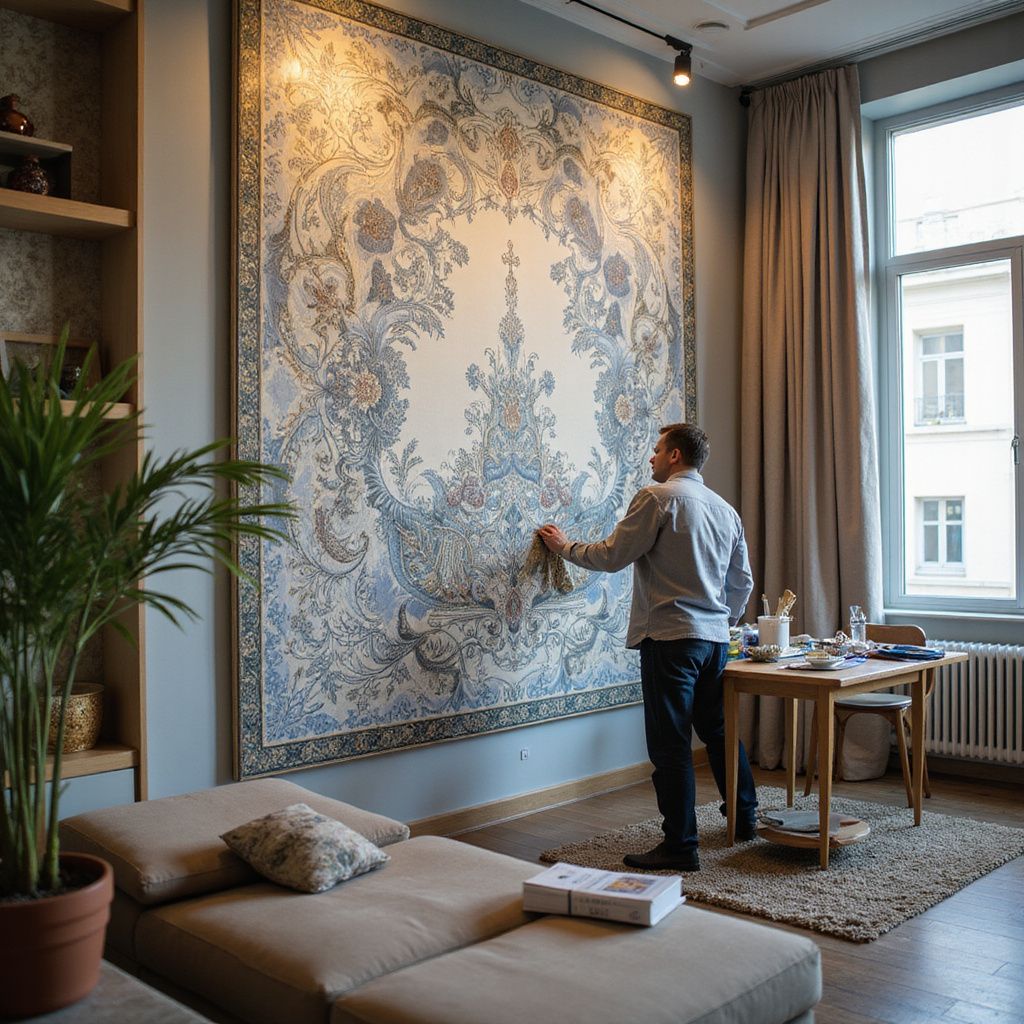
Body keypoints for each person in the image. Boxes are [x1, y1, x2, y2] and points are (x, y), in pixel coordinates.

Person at [538, 423, 758, 871]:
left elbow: (612, 555)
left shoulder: (657, 498)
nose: (651, 458)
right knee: (718, 733)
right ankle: (745, 819)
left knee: (670, 743)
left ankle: (680, 846)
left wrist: (564, 547)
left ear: (675, 455)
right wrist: (722, 622)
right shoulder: (725, 510)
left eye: (657, 450)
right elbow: (743, 583)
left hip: (671, 639)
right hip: (715, 641)